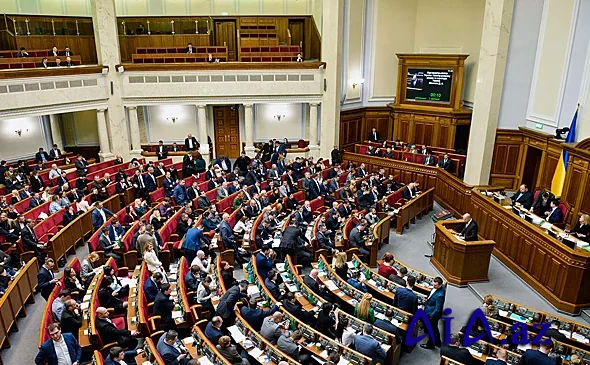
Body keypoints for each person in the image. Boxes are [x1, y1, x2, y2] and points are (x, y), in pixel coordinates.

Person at [420, 276, 445, 349]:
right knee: (434, 328)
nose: (433, 286)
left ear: (440, 285)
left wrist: (431, 316)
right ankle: (438, 342)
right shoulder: (436, 288)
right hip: (428, 309)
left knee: (432, 330)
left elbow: (438, 309)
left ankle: (431, 344)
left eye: (435, 285)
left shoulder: (440, 295)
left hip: (432, 315)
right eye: (433, 284)